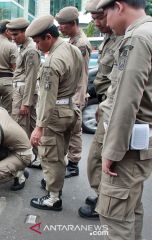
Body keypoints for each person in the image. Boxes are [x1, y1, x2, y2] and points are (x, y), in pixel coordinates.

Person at [94, 1, 152, 239]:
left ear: (118, 7)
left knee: (114, 216)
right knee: (130, 207)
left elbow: (126, 100)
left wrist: (112, 151)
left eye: (106, 14)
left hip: (127, 147)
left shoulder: (136, 38)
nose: (106, 22)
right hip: (140, 141)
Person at [27, 15, 82, 211]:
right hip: (69, 108)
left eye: (37, 41)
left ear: (48, 37)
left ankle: (53, 197)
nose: (36, 46)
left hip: (54, 114)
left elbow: (47, 98)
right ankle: (55, 185)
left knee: (50, 156)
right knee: (61, 153)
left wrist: (39, 127)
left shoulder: (52, 62)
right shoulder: (72, 49)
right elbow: (80, 78)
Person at [78, 0, 123, 219]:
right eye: (93, 18)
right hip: (105, 104)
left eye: (99, 17)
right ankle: (102, 195)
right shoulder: (110, 37)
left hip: (114, 107)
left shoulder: (126, 38)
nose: (96, 23)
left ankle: (105, 202)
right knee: (97, 158)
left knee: (101, 159)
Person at [55, 6, 92, 178]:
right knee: (68, 131)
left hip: (76, 94)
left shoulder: (81, 44)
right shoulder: (72, 41)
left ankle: (74, 164)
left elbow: (81, 74)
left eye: (63, 24)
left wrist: (77, 98)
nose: (60, 27)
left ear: (74, 23)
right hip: (70, 94)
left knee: (75, 131)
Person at [7, 18, 41, 168]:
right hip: (21, 90)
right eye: (11, 35)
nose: (13, 38)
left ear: (25, 32)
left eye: (16, 34)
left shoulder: (31, 50)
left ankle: (25, 157)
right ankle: (37, 156)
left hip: (24, 92)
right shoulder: (23, 47)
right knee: (31, 126)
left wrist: (26, 102)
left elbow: (31, 78)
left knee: (21, 127)